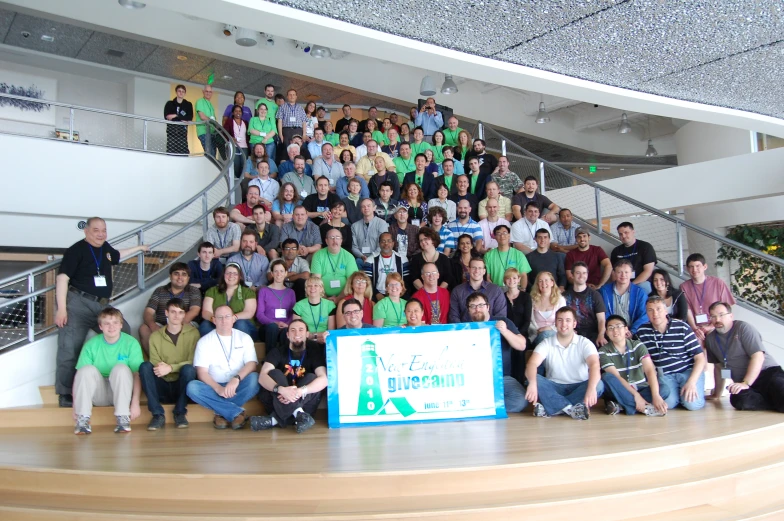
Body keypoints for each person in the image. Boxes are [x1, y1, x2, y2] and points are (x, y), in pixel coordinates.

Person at [55, 217, 148, 408]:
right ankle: (65, 393)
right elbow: (62, 279)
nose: (101, 234)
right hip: (78, 304)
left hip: (102, 305)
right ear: (86, 231)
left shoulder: (105, 247)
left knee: (125, 331)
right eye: (96, 230)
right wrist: (62, 309)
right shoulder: (76, 250)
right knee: (69, 347)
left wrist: (138, 249)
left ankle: (120, 379)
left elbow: (116, 256)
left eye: (104, 230)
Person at [186, 305, 260, 430]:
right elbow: (202, 372)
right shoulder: (204, 341)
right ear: (214, 320)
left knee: (255, 379)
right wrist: (218, 388)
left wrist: (236, 379)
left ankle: (221, 412)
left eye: (227, 317)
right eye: (220, 317)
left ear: (233, 319)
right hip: (213, 386)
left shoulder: (244, 338)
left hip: (238, 383)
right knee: (192, 387)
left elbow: (251, 364)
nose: (224, 320)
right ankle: (235, 412)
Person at [71, 307, 143, 435]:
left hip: (122, 393)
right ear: (100, 326)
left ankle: (123, 419)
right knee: (86, 370)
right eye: (107, 323)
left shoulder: (131, 343)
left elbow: (137, 375)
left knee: (121, 368)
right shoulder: (91, 345)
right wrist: (75, 406)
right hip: (99, 393)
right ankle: (83, 420)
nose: (111, 327)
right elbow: (79, 377)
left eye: (115, 322)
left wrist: (135, 402)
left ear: (121, 325)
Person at [525, 307, 604, 420]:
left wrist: (591, 388)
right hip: (554, 386)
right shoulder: (546, 343)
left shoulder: (585, 343)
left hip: (579, 386)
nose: (563, 324)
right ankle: (572, 409)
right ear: (555, 323)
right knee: (532, 379)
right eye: (560, 320)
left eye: (568, 320)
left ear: (574, 323)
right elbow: (532, 364)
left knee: (598, 384)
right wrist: (532, 383)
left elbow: (594, 365)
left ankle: (553, 407)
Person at [251, 319, 326, 434]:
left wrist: (300, 392)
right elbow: (262, 376)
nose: (297, 334)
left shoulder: (313, 351)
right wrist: (281, 390)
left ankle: (273, 420)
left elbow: (324, 379)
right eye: (293, 330)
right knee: (274, 373)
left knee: (312, 377)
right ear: (287, 334)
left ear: (307, 334)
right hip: (278, 402)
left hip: (304, 403)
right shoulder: (277, 351)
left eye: (301, 330)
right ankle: (298, 415)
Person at [706, 302, 784, 411]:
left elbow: (758, 356)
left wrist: (746, 383)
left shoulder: (743, 328)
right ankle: (775, 402)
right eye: (713, 316)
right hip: (743, 382)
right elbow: (718, 368)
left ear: (731, 316)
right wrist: (716, 394)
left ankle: (776, 401)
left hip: (768, 373)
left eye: (721, 315)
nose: (717, 319)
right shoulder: (710, 339)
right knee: (738, 400)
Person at [139, 299, 199, 430]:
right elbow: (155, 363)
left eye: (180, 312)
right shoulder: (155, 336)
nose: (177, 316)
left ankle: (180, 412)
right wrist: (165, 369)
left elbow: (194, 361)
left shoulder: (193, 333)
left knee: (189, 369)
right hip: (162, 385)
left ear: (184, 315)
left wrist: (171, 367)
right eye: (173, 312)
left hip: (182, 385)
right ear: (166, 313)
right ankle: (157, 414)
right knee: (145, 366)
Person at [636, 296, 706, 411]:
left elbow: (700, 358)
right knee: (667, 404)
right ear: (646, 313)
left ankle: (688, 392)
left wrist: (692, 382)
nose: (655, 313)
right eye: (650, 310)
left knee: (692, 404)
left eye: (658, 309)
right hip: (665, 375)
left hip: (687, 371)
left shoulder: (682, 327)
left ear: (665, 311)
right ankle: (679, 396)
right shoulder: (642, 332)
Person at [466, 291, 528, 412]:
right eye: (472, 306)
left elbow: (521, 345)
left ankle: (482, 407)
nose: (477, 309)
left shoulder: (502, 321)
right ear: (468, 310)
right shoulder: (464, 328)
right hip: (475, 379)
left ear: (488, 307)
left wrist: (505, 331)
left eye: (480, 305)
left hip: (502, 378)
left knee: (521, 400)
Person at [599, 314, 669, 416]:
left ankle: (622, 406)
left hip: (640, 387)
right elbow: (617, 377)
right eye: (611, 328)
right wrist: (636, 396)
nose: (615, 331)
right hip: (620, 389)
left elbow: (649, 370)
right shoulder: (603, 351)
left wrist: (656, 395)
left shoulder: (638, 345)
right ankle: (643, 408)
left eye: (618, 326)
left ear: (626, 329)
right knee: (607, 377)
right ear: (606, 332)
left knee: (664, 389)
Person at [138, 263, 202, 354]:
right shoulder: (159, 290)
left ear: (188, 278)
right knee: (143, 328)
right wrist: (153, 326)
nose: (180, 277)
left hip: (185, 323)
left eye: (184, 274)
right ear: (170, 276)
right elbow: (148, 312)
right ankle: (156, 359)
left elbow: (195, 310)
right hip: (161, 325)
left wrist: (174, 326)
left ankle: (184, 361)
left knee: (191, 329)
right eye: (176, 274)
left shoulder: (193, 290)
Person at [681, 253, 736, 341]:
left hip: (716, 325)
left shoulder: (718, 283)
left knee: (712, 340)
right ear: (687, 269)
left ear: (705, 267)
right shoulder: (684, 287)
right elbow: (688, 310)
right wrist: (695, 329)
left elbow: (727, 308)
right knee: (696, 342)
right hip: (696, 328)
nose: (694, 269)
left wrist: (710, 326)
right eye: (691, 266)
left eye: (698, 266)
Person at [200, 263, 258, 339]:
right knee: (206, 325)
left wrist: (234, 318)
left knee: (240, 324)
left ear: (240, 276)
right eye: (228, 273)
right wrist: (213, 318)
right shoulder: (212, 291)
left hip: (243, 325)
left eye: (235, 273)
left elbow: (249, 312)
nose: (231, 276)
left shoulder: (248, 292)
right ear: (223, 275)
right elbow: (206, 312)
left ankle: (239, 349)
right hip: (218, 323)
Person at [256, 259, 297, 352]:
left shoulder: (291, 292)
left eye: (282, 271)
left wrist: (286, 324)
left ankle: (284, 362)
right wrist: (276, 323)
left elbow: (293, 313)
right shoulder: (264, 291)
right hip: (268, 328)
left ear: (286, 273)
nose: (279, 274)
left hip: (285, 327)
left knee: (286, 332)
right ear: (272, 273)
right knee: (272, 327)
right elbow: (260, 314)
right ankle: (270, 360)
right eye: (276, 271)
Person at [599, 260, 649, 335]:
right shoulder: (604, 291)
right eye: (619, 272)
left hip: (634, 332)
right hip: (612, 332)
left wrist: (632, 331)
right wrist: (615, 330)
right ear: (614, 273)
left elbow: (644, 315)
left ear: (631, 274)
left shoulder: (640, 292)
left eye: (626, 272)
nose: (623, 275)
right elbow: (603, 313)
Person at [449, 257, 506, 323]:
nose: (476, 271)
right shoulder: (457, 291)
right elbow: (454, 316)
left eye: (480, 268)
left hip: (490, 330)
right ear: (468, 270)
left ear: (484, 271)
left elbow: (501, 316)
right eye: (474, 268)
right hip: (465, 330)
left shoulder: (495, 290)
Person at [564, 262, 607, 347]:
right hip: (571, 333)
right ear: (572, 275)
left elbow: (601, 319)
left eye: (584, 273)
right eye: (578, 273)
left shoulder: (595, 295)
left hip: (592, 334)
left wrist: (601, 335)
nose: (581, 276)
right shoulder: (564, 296)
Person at [311, 228, 359, 300]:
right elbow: (316, 280)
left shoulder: (349, 257)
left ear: (341, 240)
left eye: (337, 237)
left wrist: (338, 298)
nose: (335, 240)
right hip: (322, 297)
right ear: (326, 241)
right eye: (331, 238)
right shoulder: (318, 255)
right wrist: (325, 299)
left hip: (344, 298)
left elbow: (351, 281)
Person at [610, 222, 657, 293]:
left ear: (633, 232)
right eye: (620, 234)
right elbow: (613, 272)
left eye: (626, 232)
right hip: (622, 283)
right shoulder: (616, 251)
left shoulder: (645, 247)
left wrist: (631, 285)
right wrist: (618, 285)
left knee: (644, 286)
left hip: (640, 283)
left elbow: (648, 271)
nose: (624, 236)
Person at [365, 232, 409, 302]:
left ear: (393, 243)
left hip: (399, 294)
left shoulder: (402, 259)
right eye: (383, 241)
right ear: (379, 244)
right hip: (378, 295)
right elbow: (367, 281)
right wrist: (376, 294)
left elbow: (407, 281)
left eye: (389, 241)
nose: (386, 244)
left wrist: (399, 294)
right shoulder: (371, 260)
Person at [408, 227, 454, 293]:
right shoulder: (415, 258)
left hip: (441, 294)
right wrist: (426, 293)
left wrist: (437, 292)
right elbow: (414, 278)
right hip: (422, 294)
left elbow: (448, 278)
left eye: (425, 239)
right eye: (421, 240)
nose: (423, 242)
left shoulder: (444, 258)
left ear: (433, 240)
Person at [292, 276, 336, 343]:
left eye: (316, 285)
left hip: (325, 340)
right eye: (309, 286)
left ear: (321, 288)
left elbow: (331, 331)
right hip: (305, 341)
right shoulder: (299, 306)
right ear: (306, 289)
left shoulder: (330, 305)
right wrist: (316, 338)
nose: (312, 288)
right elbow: (298, 331)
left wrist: (314, 336)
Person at [528, 271, 567, 346]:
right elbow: (528, 322)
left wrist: (549, 328)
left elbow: (563, 321)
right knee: (545, 336)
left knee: (547, 335)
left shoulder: (560, 300)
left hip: (556, 335)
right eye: (540, 281)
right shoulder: (531, 300)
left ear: (552, 283)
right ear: (537, 284)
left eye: (546, 280)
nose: (543, 283)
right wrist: (538, 331)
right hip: (536, 336)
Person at [351, 198, 389, 266]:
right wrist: (362, 256)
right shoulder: (354, 226)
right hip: (361, 258)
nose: (366, 208)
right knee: (357, 262)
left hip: (377, 257)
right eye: (363, 206)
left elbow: (382, 244)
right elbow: (354, 247)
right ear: (361, 209)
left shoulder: (382, 224)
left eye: (368, 206)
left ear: (374, 208)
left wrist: (371, 258)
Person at [503, 268, 532, 347]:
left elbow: (527, 321)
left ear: (519, 279)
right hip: (506, 334)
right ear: (505, 280)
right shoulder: (501, 297)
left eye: (514, 278)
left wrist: (517, 334)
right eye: (508, 278)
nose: (511, 280)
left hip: (522, 334)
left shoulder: (526, 297)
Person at [163, 84, 193, 154]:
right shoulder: (169, 103)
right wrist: (180, 117)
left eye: (183, 91)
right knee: (171, 150)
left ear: (185, 93)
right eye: (179, 91)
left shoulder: (188, 105)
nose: (181, 93)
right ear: (176, 92)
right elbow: (167, 116)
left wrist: (175, 116)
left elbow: (189, 118)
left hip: (182, 132)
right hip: (172, 131)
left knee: (183, 151)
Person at [223, 104, 249, 178]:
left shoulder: (246, 122)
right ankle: (236, 181)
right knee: (236, 165)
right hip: (234, 146)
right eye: (236, 111)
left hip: (244, 147)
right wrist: (231, 138)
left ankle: (242, 181)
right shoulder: (229, 121)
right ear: (233, 113)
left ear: (242, 113)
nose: (238, 112)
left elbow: (248, 135)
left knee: (244, 165)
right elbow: (224, 133)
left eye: (240, 111)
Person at [194, 84, 217, 157]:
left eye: (210, 92)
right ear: (203, 92)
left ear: (212, 93)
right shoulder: (200, 101)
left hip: (211, 132)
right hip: (203, 131)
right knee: (210, 153)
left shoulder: (211, 105)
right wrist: (212, 121)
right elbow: (202, 116)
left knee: (213, 153)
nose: (208, 93)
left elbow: (214, 119)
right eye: (206, 91)